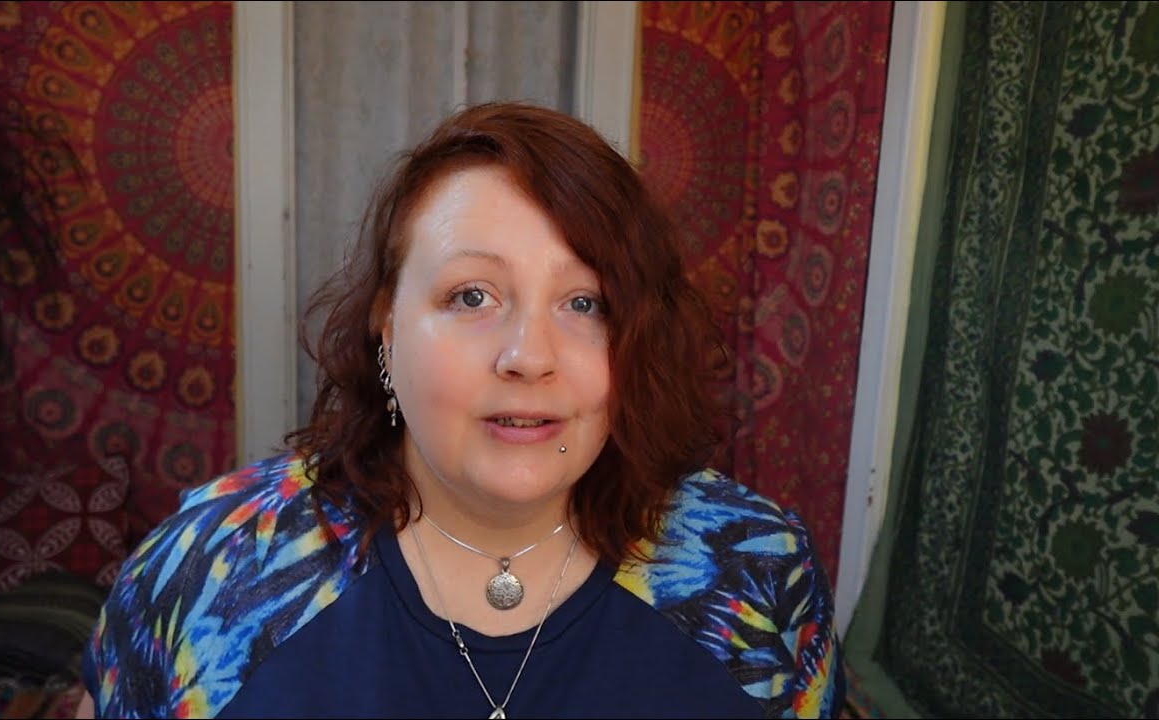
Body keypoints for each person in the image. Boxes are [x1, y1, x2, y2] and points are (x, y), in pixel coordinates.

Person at [77, 102, 845, 719]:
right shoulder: (211, 570)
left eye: (586, 302)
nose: (528, 356)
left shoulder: (757, 569)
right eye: (472, 296)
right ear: (386, 324)